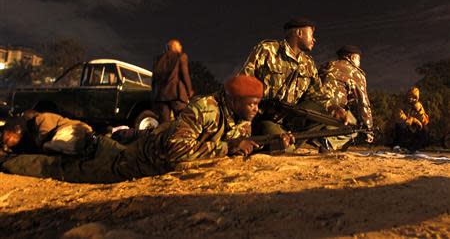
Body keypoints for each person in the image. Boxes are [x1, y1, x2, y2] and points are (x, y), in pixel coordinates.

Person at [1, 76, 293, 183]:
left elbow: (238, 141)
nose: (255, 109)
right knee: (64, 167)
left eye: (257, 104)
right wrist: (228, 148)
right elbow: (176, 152)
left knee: (96, 146)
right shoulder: (205, 108)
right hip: (136, 161)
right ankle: (8, 161)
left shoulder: (238, 114)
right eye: (251, 104)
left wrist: (268, 144)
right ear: (232, 99)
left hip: (145, 145)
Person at [239, 18, 348, 138]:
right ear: (299, 33)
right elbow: (243, 84)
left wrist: (335, 108)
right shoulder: (268, 50)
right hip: (263, 117)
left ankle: (299, 138)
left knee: (334, 114)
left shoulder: (308, 63)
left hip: (289, 119)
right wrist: (243, 129)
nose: (314, 39)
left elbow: (318, 94)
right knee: (282, 144)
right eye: (311, 35)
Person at [317, 45, 374, 150]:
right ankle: (328, 142)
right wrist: (368, 128)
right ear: (352, 58)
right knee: (354, 127)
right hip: (333, 110)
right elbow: (363, 103)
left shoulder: (325, 65)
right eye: (358, 59)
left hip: (312, 106)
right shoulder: (355, 72)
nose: (359, 63)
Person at [1, 110, 93, 155]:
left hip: (76, 130)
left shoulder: (42, 118)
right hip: (75, 134)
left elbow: (44, 137)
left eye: (8, 137)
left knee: (47, 146)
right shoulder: (32, 128)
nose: (8, 142)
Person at [152, 39, 194, 123]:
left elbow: (154, 79)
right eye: (179, 45)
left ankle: (165, 136)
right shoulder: (181, 56)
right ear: (174, 46)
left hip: (161, 95)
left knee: (164, 123)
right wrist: (189, 91)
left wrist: (154, 94)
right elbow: (184, 75)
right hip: (177, 95)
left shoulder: (157, 59)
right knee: (181, 121)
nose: (181, 47)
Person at [393, 87, 429, 152]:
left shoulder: (418, 106)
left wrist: (419, 112)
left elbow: (424, 121)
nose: (411, 99)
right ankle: (397, 146)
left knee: (425, 130)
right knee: (400, 125)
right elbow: (398, 115)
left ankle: (413, 148)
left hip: (412, 127)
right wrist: (411, 120)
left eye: (414, 97)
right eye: (410, 96)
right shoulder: (401, 103)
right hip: (404, 124)